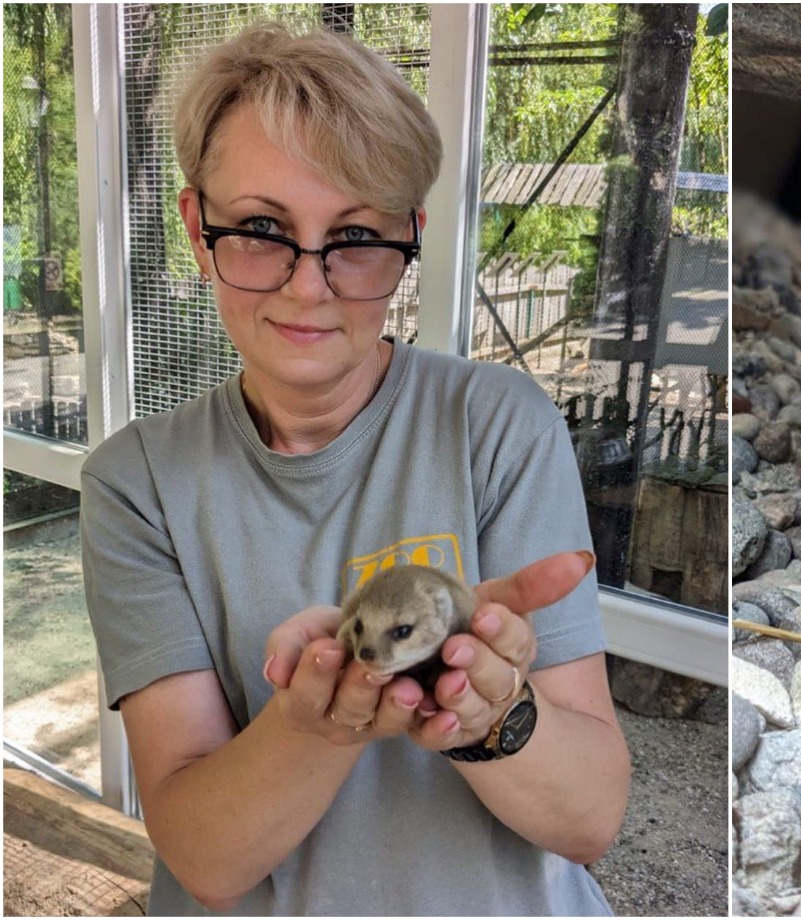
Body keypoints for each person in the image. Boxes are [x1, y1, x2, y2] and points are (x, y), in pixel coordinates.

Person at [79, 21, 630, 915]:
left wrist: (494, 715)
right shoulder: (135, 485)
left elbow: (591, 816)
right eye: (261, 229)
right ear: (196, 225)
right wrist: (315, 720)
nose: (308, 285)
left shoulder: (497, 423)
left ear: (409, 238)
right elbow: (205, 862)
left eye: (356, 235)